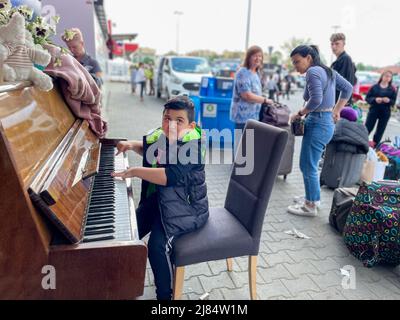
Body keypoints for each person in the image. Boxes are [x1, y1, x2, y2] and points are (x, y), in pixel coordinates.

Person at [111, 96, 209, 300]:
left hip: (186, 208)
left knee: (157, 246)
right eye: (166, 118)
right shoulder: (163, 136)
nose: (170, 124)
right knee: (128, 229)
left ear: (191, 126)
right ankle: (119, 280)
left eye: (178, 120)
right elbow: (148, 150)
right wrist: (130, 145)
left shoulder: (193, 146)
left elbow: (169, 177)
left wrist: (136, 171)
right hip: (161, 201)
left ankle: (165, 297)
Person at [287, 45, 353, 217]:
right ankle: (313, 198)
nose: (296, 66)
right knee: (309, 164)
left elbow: (316, 99)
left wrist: (299, 113)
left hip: (318, 122)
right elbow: (348, 88)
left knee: (308, 165)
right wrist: (336, 110)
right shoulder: (327, 71)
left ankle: (310, 206)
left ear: (309, 58)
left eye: (297, 62)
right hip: (324, 122)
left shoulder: (313, 72)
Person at [230, 45, 273, 136]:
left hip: (254, 117)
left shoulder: (256, 73)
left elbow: (256, 93)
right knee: (243, 147)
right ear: (248, 57)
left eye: (260, 56)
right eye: (255, 56)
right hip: (243, 118)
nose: (258, 58)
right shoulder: (243, 72)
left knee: (249, 148)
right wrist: (265, 100)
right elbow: (246, 95)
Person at [365, 70, 397, 148]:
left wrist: (389, 100)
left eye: (389, 77)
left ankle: (374, 146)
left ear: (391, 78)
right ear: (382, 76)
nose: (387, 78)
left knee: (380, 130)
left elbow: (393, 102)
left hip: (385, 112)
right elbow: (367, 98)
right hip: (373, 110)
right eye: (386, 76)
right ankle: (362, 142)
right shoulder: (374, 87)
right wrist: (375, 99)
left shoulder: (392, 89)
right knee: (368, 128)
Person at [330, 33, 357, 103]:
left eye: (337, 44)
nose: (333, 47)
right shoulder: (340, 59)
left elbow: (343, 84)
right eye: (332, 44)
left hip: (339, 104)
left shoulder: (345, 59)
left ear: (343, 44)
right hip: (338, 102)